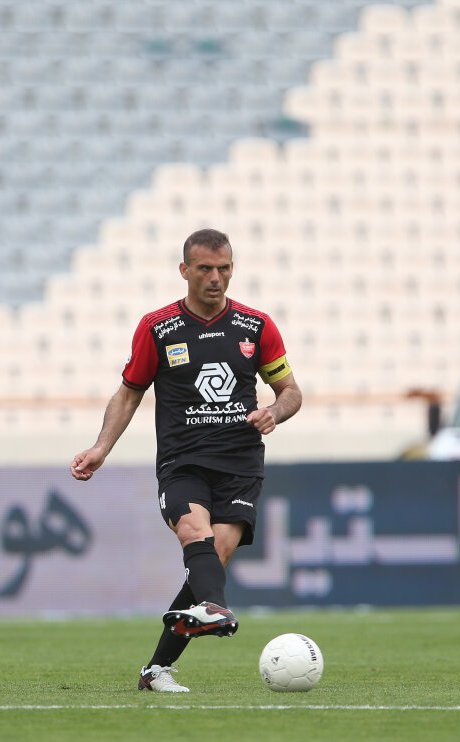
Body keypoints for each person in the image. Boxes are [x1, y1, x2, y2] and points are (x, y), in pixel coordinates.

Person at [70, 228, 302, 693]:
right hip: (183, 461)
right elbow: (129, 393)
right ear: (184, 270)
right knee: (195, 534)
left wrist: (274, 412)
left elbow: (291, 392)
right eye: (205, 269)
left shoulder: (256, 326)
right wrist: (100, 448)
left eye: (224, 268)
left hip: (240, 462)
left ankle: (155, 670)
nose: (216, 278)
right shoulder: (158, 328)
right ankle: (215, 608)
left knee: (214, 557)